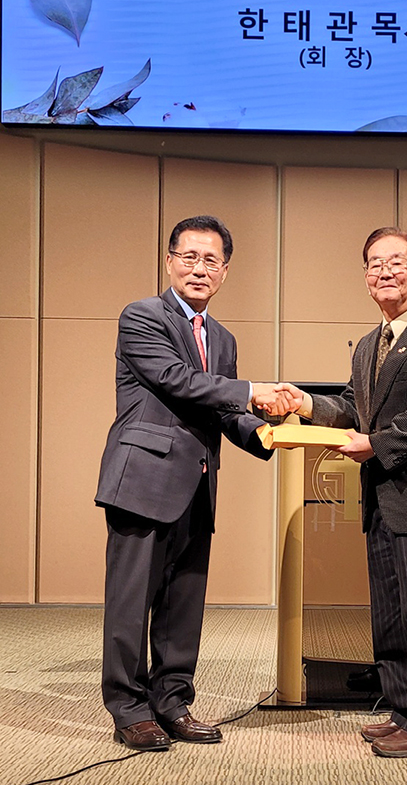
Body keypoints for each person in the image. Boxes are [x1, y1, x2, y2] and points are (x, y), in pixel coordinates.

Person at [95, 215, 291, 751]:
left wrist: (270, 434)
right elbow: (177, 381)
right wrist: (252, 391)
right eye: (189, 257)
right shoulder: (142, 316)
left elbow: (221, 411)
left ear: (225, 271)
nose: (199, 269)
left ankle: (172, 702)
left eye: (211, 260)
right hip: (142, 480)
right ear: (169, 262)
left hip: (198, 485)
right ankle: (129, 709)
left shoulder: (223, 338)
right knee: (131, 604)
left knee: (184, 604)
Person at [279, 227, 407, 758]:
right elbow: (351, 406)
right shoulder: (368, 345)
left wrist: (375, 444)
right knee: (392, 619)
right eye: (373, 263)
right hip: (382, 502)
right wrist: (304, 404)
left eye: (395, 262)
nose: (384, 271)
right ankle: (404, 710)